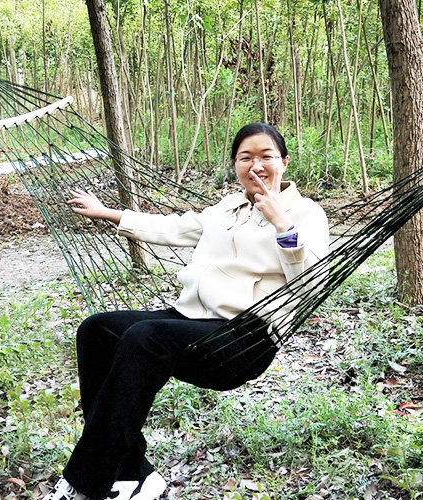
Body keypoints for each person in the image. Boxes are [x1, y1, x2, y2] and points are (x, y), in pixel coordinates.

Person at [43, 123, 329, 500]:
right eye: (245, 157)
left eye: (266, 156)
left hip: (245, 337)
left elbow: (312, 284)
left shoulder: (305, 214)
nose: (256, 166)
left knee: (145, 337)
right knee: (97, 330)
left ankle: (85, 484)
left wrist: (282, 224)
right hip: (193, 319)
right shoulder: (227, 208)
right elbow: (173, 228)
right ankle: (134, 473)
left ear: (284, 162)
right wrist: (108, 213)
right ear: (235, 165)